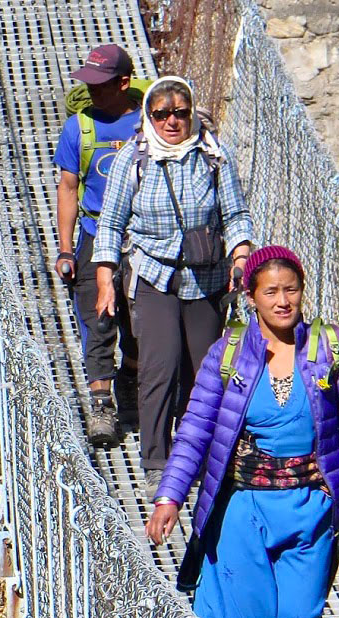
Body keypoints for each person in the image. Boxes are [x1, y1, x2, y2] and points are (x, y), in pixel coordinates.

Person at [144, 245, 339, 618]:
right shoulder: (229, 352)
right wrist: (170, 495)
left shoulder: (327, 348)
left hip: (310, 506)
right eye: (270, 291)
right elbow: (195, 429)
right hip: (242, 506)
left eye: (290, 289)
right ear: (251, 296)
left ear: (302, 292)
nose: (282, 300)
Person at [93, 75, 254, 488]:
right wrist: (106, 279)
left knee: (205, 371)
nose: (171, 121)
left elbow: (235, 217)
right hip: (154, 273)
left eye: (180, 112)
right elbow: (110, 224)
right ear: (148, 115)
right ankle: (156, 461)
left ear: (190, 113)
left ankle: (200, 452)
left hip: (207, 275)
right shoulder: (133, 160)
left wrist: (241, 255)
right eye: (161, 113)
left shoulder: (214, 156)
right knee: (159, 366)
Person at [53, 44, 144, 446]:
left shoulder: (150, 123)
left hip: (141, 240)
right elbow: (68, 188)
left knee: (140, 324)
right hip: (94, 237)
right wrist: (66, 248)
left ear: (123, 82)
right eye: (87, 83)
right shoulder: (79, 127)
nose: (92, 92)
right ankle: (102, 407)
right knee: (98, 321)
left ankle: (130, 380)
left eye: (101, 84)